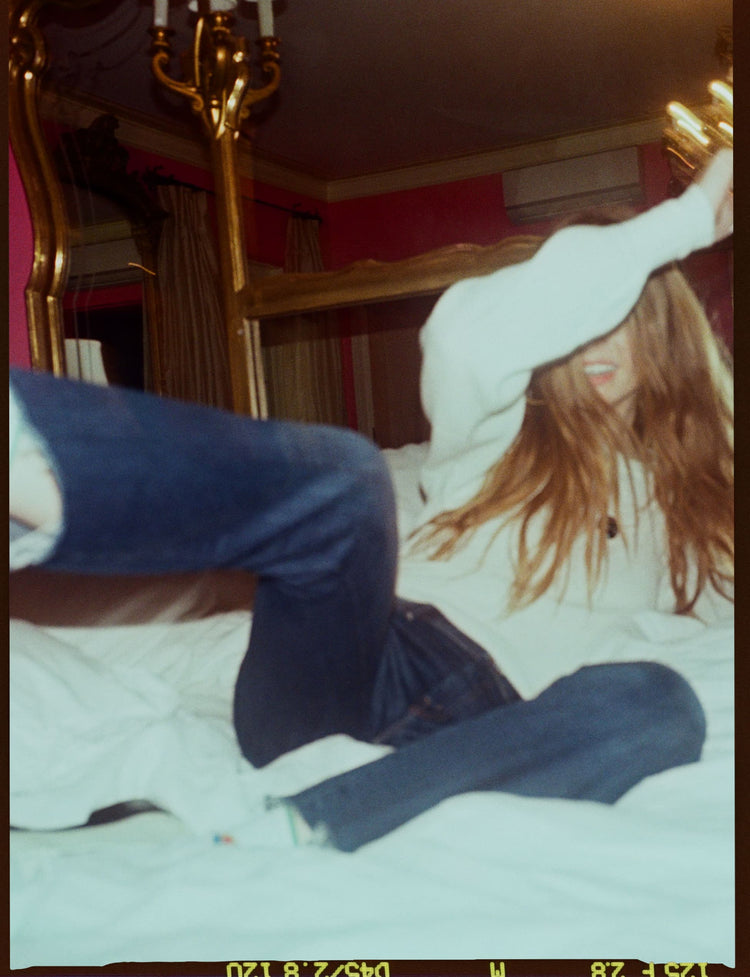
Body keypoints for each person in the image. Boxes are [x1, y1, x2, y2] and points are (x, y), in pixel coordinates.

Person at [9, 149, 734, 852]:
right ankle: (37, 462)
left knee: (661, 703)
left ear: (664, 334)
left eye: (626, 315)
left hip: (488, 727)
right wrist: (688, 218)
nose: (596, 340)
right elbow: (463, 339)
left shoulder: (694, 509)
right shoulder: (501, 432)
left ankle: (305, 826)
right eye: (583, 316)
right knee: (348, 477)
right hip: (361, 662)